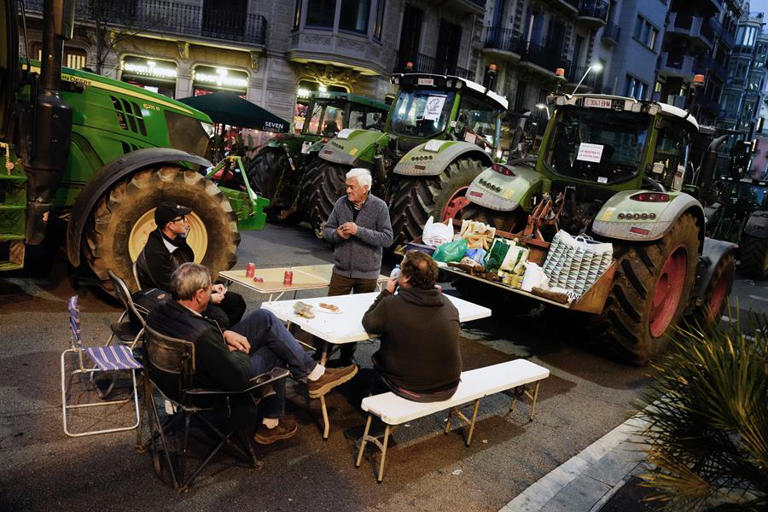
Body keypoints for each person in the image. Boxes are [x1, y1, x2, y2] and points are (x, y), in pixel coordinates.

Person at [147, 262, 358, 444]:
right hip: (204, 387)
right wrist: (231, 348)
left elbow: (200, 332)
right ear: (199, 294)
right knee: (276, 349)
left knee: (264, 317)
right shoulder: (201, 334)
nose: (212, 290)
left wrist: (225, 334)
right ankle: (272, 421)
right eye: (208, 287)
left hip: (175, 378)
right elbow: (236, 377)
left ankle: (312, 373)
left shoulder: (160, 310)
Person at [362, 251, 461, 402]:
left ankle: (376, 420)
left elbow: (368, 323)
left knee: (369, 373)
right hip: (449, 386)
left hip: (414, 388)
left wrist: (387, 292)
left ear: (407, 277)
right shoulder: (447, 303)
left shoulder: (392, 305)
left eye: (400, 269)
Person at [136, 201, 245, 329]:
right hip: (169, 300)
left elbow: (189, 271)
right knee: (220, 318)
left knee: (237, 302)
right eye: (181, 219)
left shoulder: (176, 240)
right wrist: (208, 297)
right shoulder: (155, 253)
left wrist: (210, 286)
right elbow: (172, 290)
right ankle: (209, 339)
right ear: (170, 225)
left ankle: (221, 337)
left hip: (187, 289)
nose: (186, 221)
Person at [323, 168, 393, 365]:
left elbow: (387, 239)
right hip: (341, 272)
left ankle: (346, 358)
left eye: (351, 187)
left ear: (365, 188)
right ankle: (322, 355)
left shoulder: (379, 207)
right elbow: (326, 231)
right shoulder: (340, 203)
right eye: (347, 186)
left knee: (358, 319)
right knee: (329, 315)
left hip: (367, 275)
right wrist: (337, 234)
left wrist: (358, 231)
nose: (347, 190)